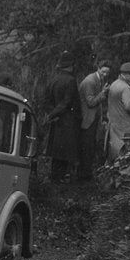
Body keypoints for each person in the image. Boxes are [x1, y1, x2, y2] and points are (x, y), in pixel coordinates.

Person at [44, 50, 82, 183]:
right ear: (71, 66)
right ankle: (62, 181)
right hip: (68, 120)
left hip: (57, 121)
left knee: (57, 153)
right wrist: (56, 114)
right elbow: (67, 102)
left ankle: (54, 179)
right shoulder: (71, 80)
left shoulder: (53, 79)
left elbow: (46, 101)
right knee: (67, 153)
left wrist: (52, 114)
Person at [77, 59, 112, 181]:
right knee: (86, 148)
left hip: (92, 120)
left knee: (90, 147)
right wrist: (103, 93)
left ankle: (86, 174)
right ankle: (83, 176)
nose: (105, 75)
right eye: (103, 72)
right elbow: (91, 102)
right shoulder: (90, 81)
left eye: (107, 72)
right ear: (98, 69)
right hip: (86, 120)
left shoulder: (100, 80)